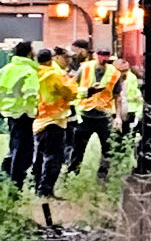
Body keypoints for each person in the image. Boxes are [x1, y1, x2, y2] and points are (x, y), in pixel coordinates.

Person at [67, 49, 124, 179]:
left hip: (104, 116)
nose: (102, 58)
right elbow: (72, 87)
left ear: (109, 57)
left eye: (105, 55)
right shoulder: (85, 68)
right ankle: (72, 175)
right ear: (95, 56)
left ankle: (103, 176)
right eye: (100, 55)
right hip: (85, 114)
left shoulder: (114, 73)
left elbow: (117, 96)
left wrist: (118, 116)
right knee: (78, 148)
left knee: (107, 149)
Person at [32, 48, 77, 197]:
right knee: (54, 157)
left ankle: (36, 186)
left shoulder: (36, 72)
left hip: (39, 120)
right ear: (54, 59)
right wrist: (73, 82)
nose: (68, 61)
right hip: (54, 120)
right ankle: (45, 190)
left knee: (39, 156)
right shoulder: (54, 75)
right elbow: (68, 93)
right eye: (66, 58)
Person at [0, 41, 39, 188]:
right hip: (24, 115)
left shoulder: (6, 69)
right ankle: (16, 184)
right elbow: (31, 95)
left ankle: (5, 177)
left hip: (10, 114)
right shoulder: (29, 71)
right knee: (23, 152)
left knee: (14, 147)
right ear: (29, 53)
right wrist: (34, 111)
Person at [121, 62, 143, 134]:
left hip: (122, 109)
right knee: (128, 132)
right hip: (131, 109)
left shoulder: (115, 75)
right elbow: (136, 94)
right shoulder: (132, 76)